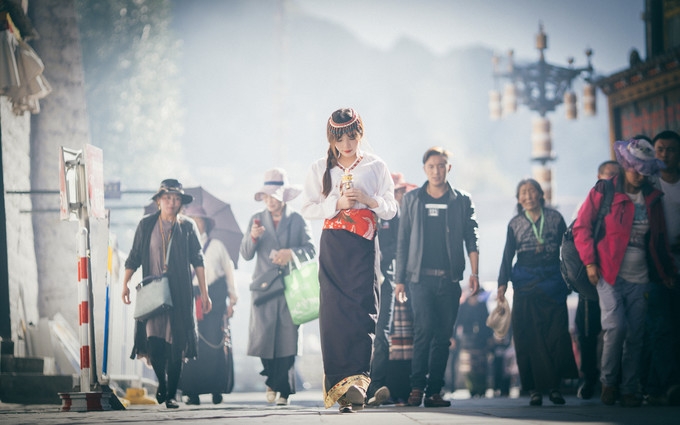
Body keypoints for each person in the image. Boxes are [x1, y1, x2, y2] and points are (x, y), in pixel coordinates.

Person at [301, 107, 397, 413]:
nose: (346, 144)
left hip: (364, 245)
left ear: (360, 134)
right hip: (333, 246)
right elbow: (306, 207)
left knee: (363, 310)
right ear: (331, 138)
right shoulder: (320, 168)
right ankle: (341, 387)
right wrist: (336, 202)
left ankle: (358, 384)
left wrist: (369, 200)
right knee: (333, 314)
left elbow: (391, 208)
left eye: (352, 137)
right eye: (340, 138)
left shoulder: (375, 166)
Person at [573, 138, 676, 407]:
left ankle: (629, 388)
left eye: (644, 170)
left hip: (641, 275)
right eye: (634, 168)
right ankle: (609, 382)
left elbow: (660, 237)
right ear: (625, 164)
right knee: (616, 327)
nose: (639, 175)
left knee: (636, 334)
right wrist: (590, 263)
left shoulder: (653, 196)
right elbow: (582, 227)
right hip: (608, 272)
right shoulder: (604, 190)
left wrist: (666, 270)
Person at [394, 146, 480, 408]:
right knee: (423, 330)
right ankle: (416, 388)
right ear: (424, 169)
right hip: (419, 279)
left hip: (450, 279)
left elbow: (472, 237)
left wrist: (474, 273)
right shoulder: (412, 199)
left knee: (443, 336)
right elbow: (403, 240)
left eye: (441, 166)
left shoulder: (461, 200)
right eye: (431, 166)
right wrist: (400, 279)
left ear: (448, 168)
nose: (436, 171)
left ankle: (434, 392)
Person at [122, 179, 212, 409]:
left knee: (176, 343)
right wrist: (125, 284)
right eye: (167, 198)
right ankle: (162, 382)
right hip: (152, 293)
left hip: (179, 293)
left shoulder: (187, 227)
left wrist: (204, 292)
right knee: (154, 341)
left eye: (176, 199)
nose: (172, 202)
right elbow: (134, 256)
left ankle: (171, 394)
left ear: (181, 202)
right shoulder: (146, 225)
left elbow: (198, 260)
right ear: (159, 201)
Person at [497, 178, 578, 407]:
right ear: (518, 199)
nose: (528, 196)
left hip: (553, 283)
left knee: (556, 335)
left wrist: (574, 278)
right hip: (525, 284)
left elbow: (569, 249)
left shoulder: (555, 218)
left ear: (541, 194)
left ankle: (555, 387)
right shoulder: (515, 223)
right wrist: (502, 284)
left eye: (532, 191)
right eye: (523, 192)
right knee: (528, 337)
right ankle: (533, 389)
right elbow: (507, 254)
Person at [240, 168, 315, 407]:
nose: (270, 201)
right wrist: (253, 237)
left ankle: (284, 391)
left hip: (290, 288)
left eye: (274, 196)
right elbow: (245, 253)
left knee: (288, 340)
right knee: (263, 339)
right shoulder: (256, 219)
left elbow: (311, 250)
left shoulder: (297, 219)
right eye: (266, 196)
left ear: (284, 196)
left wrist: (291, 253)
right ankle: (271, 381)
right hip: (263, 288)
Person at [366, 172, 417, 407]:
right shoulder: (365, 209)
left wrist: (395, 275)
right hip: (362, 280)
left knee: (382, 335)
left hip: (387, 280)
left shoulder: (395, 214)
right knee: (361, 333)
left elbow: (401, 247)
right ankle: (359, 384)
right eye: (395, 190)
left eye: (400, 191)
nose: (398, 195)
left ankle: (377, 385)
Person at [178, 204, 237, 405]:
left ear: (206, 223)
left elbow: (229, 271)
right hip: (190, 297)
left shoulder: (217, 245)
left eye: (199, 219)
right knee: (190, 344)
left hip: (215, 298)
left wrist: (232, 299)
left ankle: (216, 388)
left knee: (214, 341)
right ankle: (191, 391)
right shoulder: (181, 244)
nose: (195, 222)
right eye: (192, 219)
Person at [574, 160, 621, 400]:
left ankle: (615, 380)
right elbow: (578, 234)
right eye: (608, 176)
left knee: (618, 328)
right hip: (593, 279)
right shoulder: (590, 201)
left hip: (619, 275)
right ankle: (590, 379)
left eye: (616, 175)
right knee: (588, 331)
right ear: (598, 178)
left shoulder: (626, 200)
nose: (612, 180)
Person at [643, 130, 680, 405]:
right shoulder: (647, 186)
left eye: (671, 149)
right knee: (660, 327)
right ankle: (669, 384)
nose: (665, 155)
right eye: (660, 149)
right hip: (654, 266)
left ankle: (657, 386)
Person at [454, 289, 493, 397]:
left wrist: (490, 337)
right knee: (469, 366)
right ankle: (472, 389)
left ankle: (482, 388)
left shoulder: (482, 305)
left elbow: (488, 322)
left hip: (481, 339)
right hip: (467, 339)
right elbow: (457, 322)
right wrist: (453, 338)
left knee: (481, 365)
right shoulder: (463, 306)